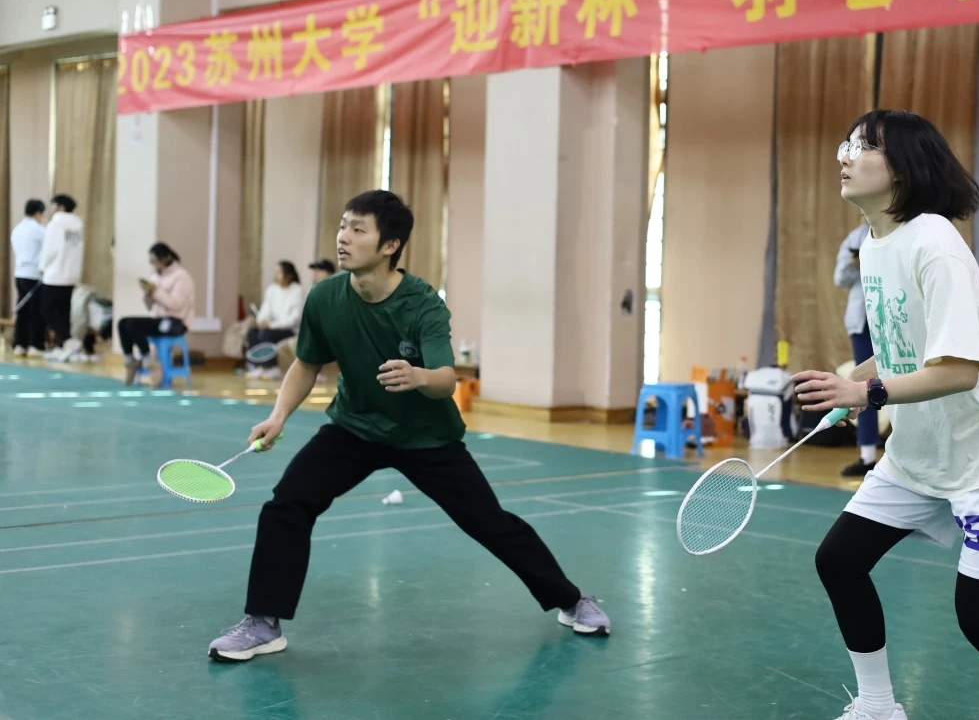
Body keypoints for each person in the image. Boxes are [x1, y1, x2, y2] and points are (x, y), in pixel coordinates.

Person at [207, 190, 610, 662]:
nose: (343, 237)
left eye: (358, 229)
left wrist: (419, 376)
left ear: (390, 245)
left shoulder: (423, 304)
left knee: (489, 523)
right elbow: (307, 363)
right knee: (287, 504)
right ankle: (263, 623)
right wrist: (278, 416)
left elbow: (446, 380)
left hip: (425, 437)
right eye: (343, 225)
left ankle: (572, 600)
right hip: (354, 427)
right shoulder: (325, 297)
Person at [793, 111, 979, 720]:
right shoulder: (873, 244)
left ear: (903, 168)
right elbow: (901, 346)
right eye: (845, 143)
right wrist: (851, 383)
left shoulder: (935, 242)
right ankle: (878, 706)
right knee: (839, 561)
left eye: (863, 146)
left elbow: (959, 369)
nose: (844, 156)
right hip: (919, 455)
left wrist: (866, 395)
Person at [834, 220, 880, 476]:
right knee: (865, 387)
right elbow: (839, 278)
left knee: (906, 381)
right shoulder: (855, 237)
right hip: (862, 322)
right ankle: (867, 455)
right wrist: (855, 264)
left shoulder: (901, 228)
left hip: (892, 317)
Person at [118, 243, 196, 387]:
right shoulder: (155, 276)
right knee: (123, 323)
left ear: (165, 258)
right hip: (158, 319)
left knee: (133, 325)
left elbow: (175, 304)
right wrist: (147, 295)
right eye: (151, 261)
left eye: (154, 261)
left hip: (176, 322)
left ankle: (150, 362)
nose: (153, 265)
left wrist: (156, 291)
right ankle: (131, 361)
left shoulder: (181, 276)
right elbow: (150, 307)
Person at [37, 194, 84, 355]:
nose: (50, 209)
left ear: (61, 207)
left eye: (53, 205)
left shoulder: (55, 224)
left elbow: (50, 250)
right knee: (63, 311)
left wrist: (42, 266)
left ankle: (68, 339)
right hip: (71, 275)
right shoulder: (77, 226)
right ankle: (64, 345)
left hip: (55, 275)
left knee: (46, 309)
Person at [245, 260, 305, 378]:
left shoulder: (298, 291)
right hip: (271, 327)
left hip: (289, 330)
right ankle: (256, 366)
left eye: (279, 272)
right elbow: (266, 309)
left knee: (267, 334)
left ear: (289, 275)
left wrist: (271, 325)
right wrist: (261, 322)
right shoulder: (271, 290)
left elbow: (294, 320)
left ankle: (270, 367)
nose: (275, 275)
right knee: (252, 333)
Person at [10, 199, 46, 356]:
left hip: (19, 274)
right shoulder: (40, 230)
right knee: (35, 311)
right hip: (35, 275)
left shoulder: (17, 229)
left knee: (22, 309)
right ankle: (35, 345)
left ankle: (20, 344)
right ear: (38, 213)